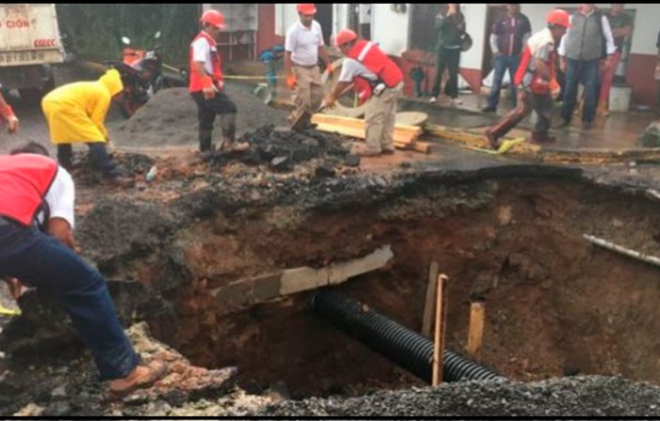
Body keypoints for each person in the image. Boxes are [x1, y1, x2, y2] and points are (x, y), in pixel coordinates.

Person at [0, 142, 167, 397]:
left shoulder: (7, 168)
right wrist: (69, 260)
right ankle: (125, 374)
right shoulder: (54, 171)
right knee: (84, 283)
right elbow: (59, 233)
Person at [485, 9, 571, 150]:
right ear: (557, 26)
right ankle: (493, 132)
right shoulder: (546, 41)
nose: (565, 32)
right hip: (530, 81)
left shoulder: (545, 36)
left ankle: (539, 136)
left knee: (546, 108)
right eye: (564, 28)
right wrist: (553, 84)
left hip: (536, 80)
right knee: (522, 110)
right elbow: (540, 65)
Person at [41, 69, 134, 188]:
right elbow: (96, 122)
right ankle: (111, 176)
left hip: (49, 101)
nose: (121, 97)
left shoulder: (96, 87)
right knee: (96, 139)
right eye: (121, 94)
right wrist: (105, 139)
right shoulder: (104, 94)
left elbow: (89, 116)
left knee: (64, 134)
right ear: (116, 91)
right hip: (65, 105)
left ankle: (66, 167)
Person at [325, 29, 404, 157]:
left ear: (347, 44)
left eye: (340, 48)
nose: (340, 51)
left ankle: (372, 147)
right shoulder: (366, 45)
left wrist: (331, 97)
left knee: (373, 116)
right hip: (396, 79)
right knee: (388, 115)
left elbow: (343, 82)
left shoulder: (350, 61)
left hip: (386, 85)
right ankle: (387, 145)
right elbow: (365, 71)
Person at [189, 9, 249, 153]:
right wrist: (207, 84)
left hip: (199, 86)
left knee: (206, 118)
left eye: (218, 28)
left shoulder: (207, 41)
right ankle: (229, 142)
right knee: (229, 108)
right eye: (215, 28)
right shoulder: (202, 41)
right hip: (203, 86)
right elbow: (198, 63)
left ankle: (205, 149)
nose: (218, 31)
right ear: (207, 25)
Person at [557, 3, 617, 130]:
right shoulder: (572, 17)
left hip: (592, 59)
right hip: (573, 58)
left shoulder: (600, 18)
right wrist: (562, 58)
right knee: (569, 90)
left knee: (591, 90)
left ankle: (587, 120)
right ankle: (565, 118)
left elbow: (608, 37)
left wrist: (609, 57)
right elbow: (565, 37)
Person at [284, 4, 334, 123]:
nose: (309, 18)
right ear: (299, 14)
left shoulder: (317, 26)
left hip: (314, 67)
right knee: (303, 99)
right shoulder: (293, 31)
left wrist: (328, 64)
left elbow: (320, 47)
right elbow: (287, 54)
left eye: (311, 15)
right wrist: (290, 77)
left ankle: (303, 119)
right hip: (300, 67)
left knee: (317, 97)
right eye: (306, 16)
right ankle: (298, 122)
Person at [482, 4, 532, 113]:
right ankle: (491, 105)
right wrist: (495, 51)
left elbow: (527, 37)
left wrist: (523, 51)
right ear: (507, 6)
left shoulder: (524, 20)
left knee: (516, 82)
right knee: (497, 81)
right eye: (512, 5)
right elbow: (493, 36)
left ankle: (515, 106)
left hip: (516, 57)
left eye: (516, 5)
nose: (514, 7)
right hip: (501, 56)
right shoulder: (501, 19)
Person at [598, 4, 633, 116]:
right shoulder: (604, 16)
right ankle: (583, 104)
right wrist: (614, 32)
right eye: (617, 4)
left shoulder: (626, 18)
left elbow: (626, 31)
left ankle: (602, 105)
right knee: (593, 76)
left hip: (615, 51)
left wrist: (609, 32)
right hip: (600, 51)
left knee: (608, 78)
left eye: (621, 5)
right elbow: (599, 32)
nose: (619, 6)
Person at [429, 3, 466, 106]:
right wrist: (448, 15)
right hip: (442, 48)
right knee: (439, 72)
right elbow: (438, 26)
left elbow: (462, 31)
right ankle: (434, 95)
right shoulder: (441, 14)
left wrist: (458, 23)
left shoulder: (460, 16)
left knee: (454, 73)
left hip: (455, 48)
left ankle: (454, 96)